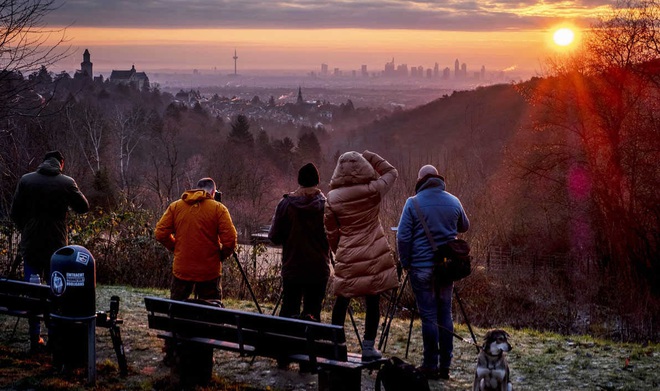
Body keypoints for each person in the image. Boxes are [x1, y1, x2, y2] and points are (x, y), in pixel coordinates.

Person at [10, 150, 90, 352]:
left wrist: (26, 229)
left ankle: (34, 338)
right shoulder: (66, 183)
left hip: (31, 246)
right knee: (57, 291)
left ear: (43, 162)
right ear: (61, 164)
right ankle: (55, 337)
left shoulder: (26, 181)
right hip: (57, 250)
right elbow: (83, 207)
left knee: (33, 290)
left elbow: (14, 212)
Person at [396, 164, 470, 380]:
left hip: (420, 268)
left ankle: (430, 365)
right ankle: (445, 365)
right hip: (446, 268)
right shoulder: (454, 201)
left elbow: (402, 237)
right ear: (437, 178)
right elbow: (464, 226)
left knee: (428, 316)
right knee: (445, 314)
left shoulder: (412, 203)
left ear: (420, 180)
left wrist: (406, 261)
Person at [324, 150, 399, 361]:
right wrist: (371, 156)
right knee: (372, 300)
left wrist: (339, 250)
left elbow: (330, 231)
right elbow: (391, 172)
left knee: (342, 300)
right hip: (373, 252)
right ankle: (368, 347)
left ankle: (337, 345)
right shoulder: (372, 191)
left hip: (347, 252)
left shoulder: (332, 198)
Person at [155, 177, 237, 303]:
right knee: (211, 314)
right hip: (209, 272)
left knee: (177, 312)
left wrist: (176, 247)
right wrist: (220, 255)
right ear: (213, 193)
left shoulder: (176, 207)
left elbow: (160, 233)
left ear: (196, 189)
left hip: (182, 269)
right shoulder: (218, 209)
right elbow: (230, 240)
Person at [268, 162, 331, 323]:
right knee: (313, 314)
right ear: (317, 181)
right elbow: (335, 236)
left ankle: (289, 346)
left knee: (289, 313)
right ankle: (309, 346)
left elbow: (274, 236)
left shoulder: (286, 204)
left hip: (293, 267)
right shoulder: (326, 206)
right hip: (318, 269)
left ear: (299, 181)